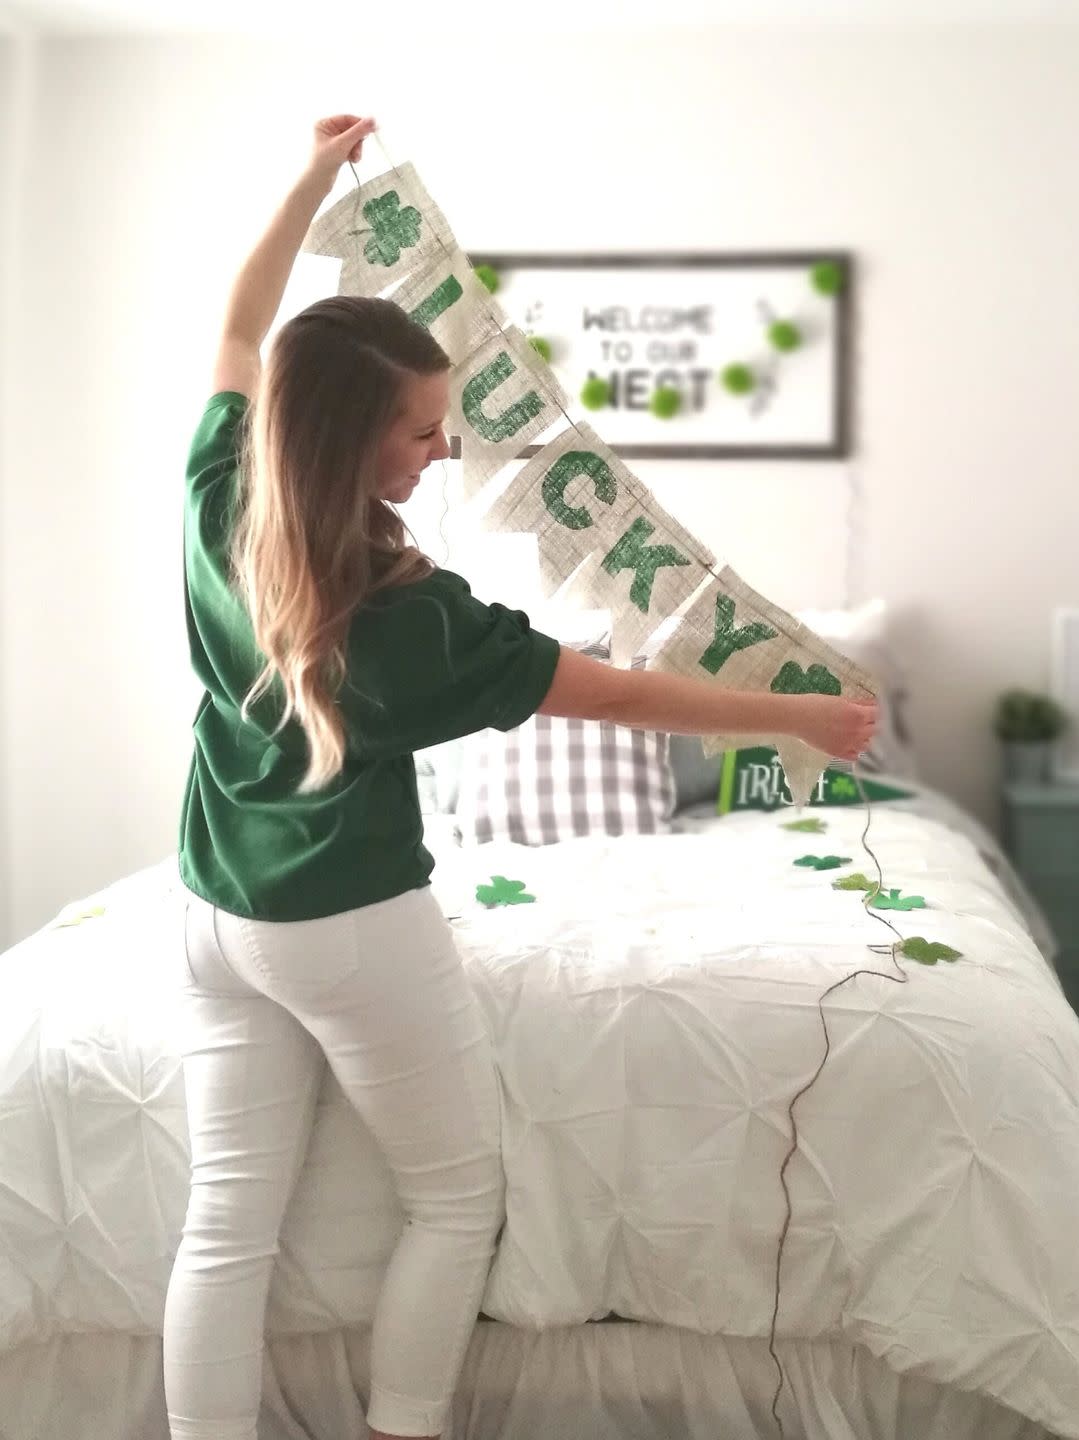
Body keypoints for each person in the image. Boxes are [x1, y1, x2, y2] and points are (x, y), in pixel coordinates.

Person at [163, 112, 878, 1440]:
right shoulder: (409, 626)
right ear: (349, 442)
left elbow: (241, 320)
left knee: (223, 1214)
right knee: (454, 1197)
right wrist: (793, 713)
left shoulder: (217, 496)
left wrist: (312, 176)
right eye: (425, 431)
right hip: (342, 927)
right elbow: (614, 693)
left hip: (213, 911)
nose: (443, 452)